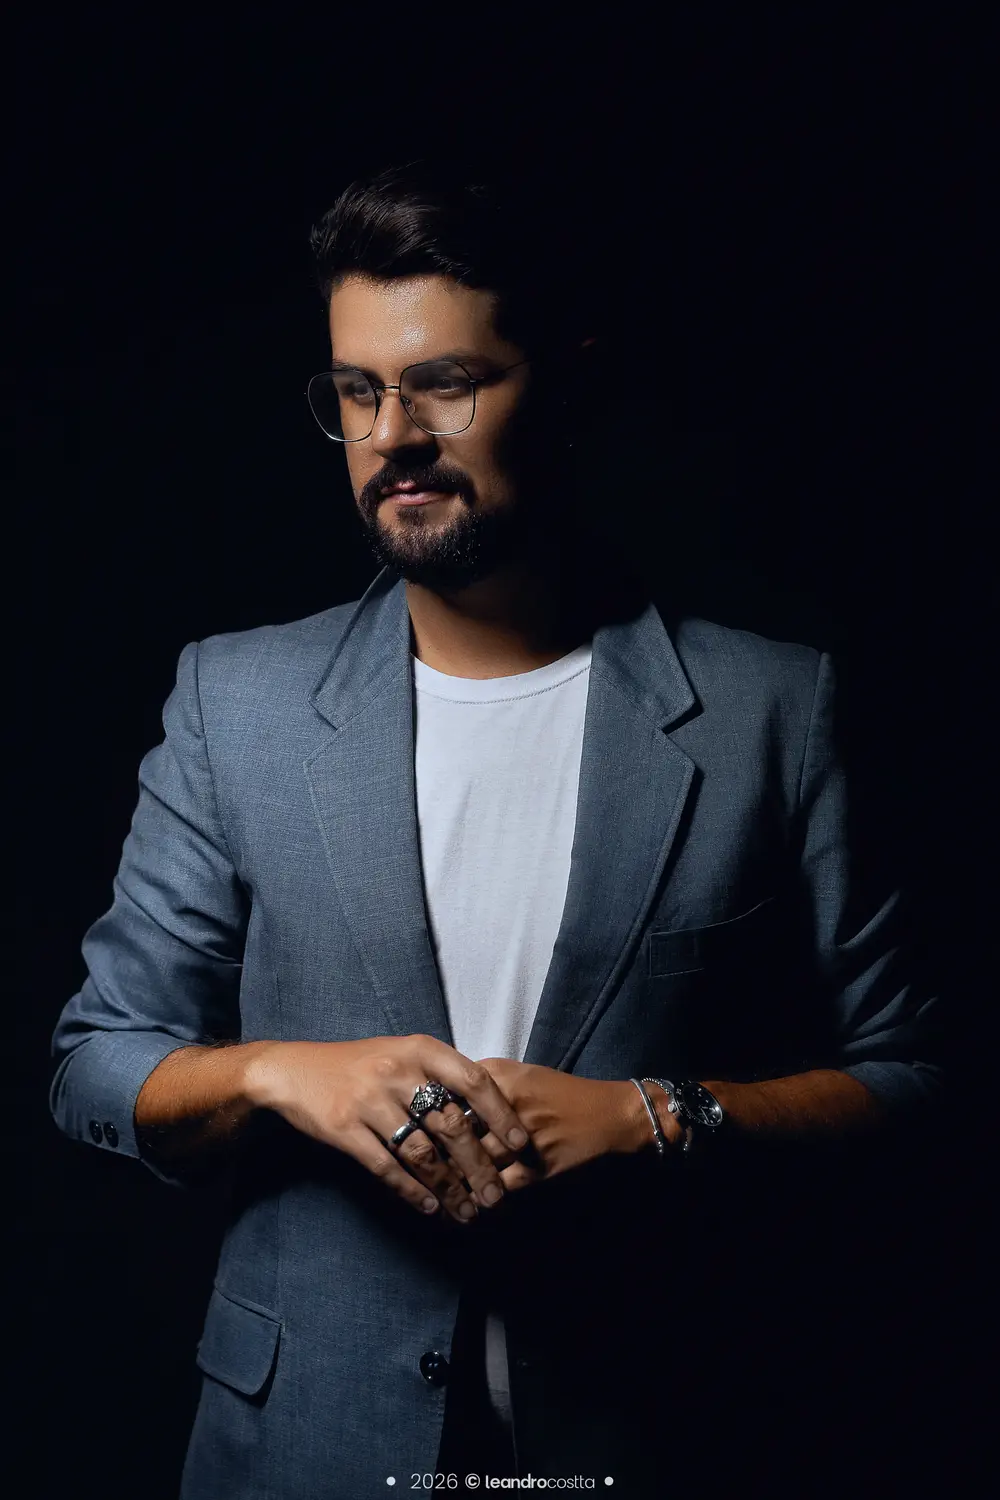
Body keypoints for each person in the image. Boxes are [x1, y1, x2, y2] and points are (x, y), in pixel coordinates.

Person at [50, 158, 944, 1499]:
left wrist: (654, 1117)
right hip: (302, 1448)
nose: (394, 435)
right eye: (359, 392)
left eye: (446, 383)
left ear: (566, 384)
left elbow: (917, 1081)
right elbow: (96, 1065)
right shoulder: (236, 704)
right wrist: (285, 1074)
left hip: (658, 1434)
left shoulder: (775, 709)